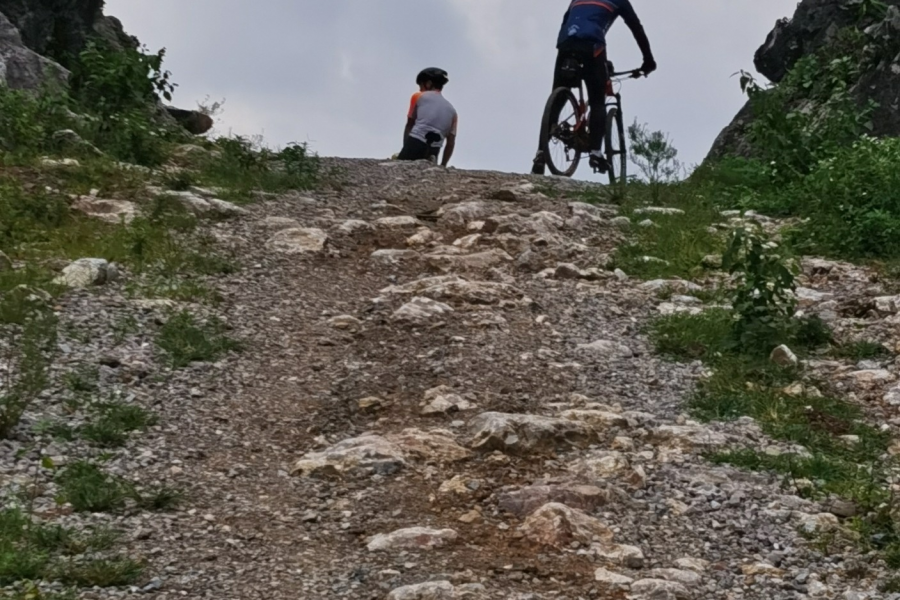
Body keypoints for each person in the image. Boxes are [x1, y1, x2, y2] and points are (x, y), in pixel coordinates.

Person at [531, 0, 656, 175]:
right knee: (597, 101)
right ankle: (596, 153)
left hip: (565, 44)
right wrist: (648, 61)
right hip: (592, 46)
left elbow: (566, 20)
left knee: (557, 99)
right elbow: (636, 28)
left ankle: (541, 154)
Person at [398, 68, 458, 167]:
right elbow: (450, 143)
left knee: (401, 168)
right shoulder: (453, 112)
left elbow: (409, 125)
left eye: (420, 86)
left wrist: (405, 149)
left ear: (429, 83)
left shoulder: (418, 96)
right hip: (434, 149)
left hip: (415, 142)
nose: (420, 89)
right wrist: (443, 165)